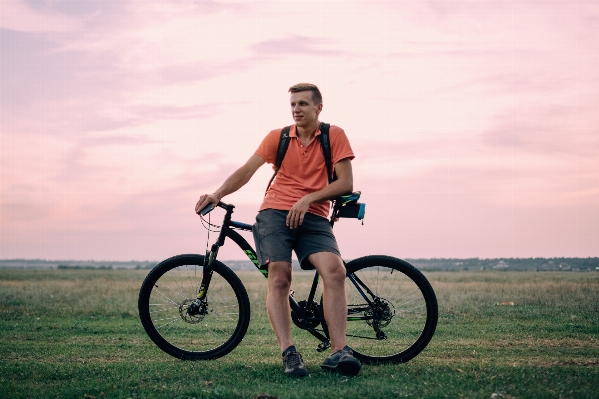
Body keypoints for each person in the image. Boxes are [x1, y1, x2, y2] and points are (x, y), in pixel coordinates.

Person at [194, 83, 361, 377]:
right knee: (280, 276)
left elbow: (345, 183)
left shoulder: (334, 136)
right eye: (293, 104)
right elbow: (246, 171)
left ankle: (339, 352)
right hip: (274, 213)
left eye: (303, 104)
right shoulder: (278, 137)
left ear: (318, 108)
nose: (296, 109)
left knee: (335, 271)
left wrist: (308, 198)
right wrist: (218, 194)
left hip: (314, 215)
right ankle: (289, 352)